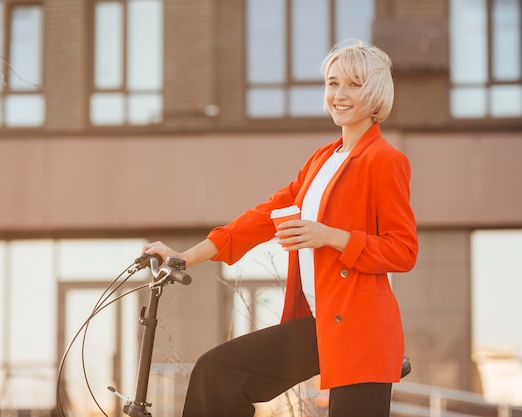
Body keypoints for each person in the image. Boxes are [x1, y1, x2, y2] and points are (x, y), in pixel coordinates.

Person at [143, 40, 418, 417]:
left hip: (362, 331)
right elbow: (265, 215)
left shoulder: (384, 160)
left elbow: (403, 250)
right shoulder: (322, 160)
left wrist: (330, 236)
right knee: (217, 372)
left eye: (353, 85)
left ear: (375, 93)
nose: (339, 94)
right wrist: (186, 257)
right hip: (320, 325)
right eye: (332, 83)